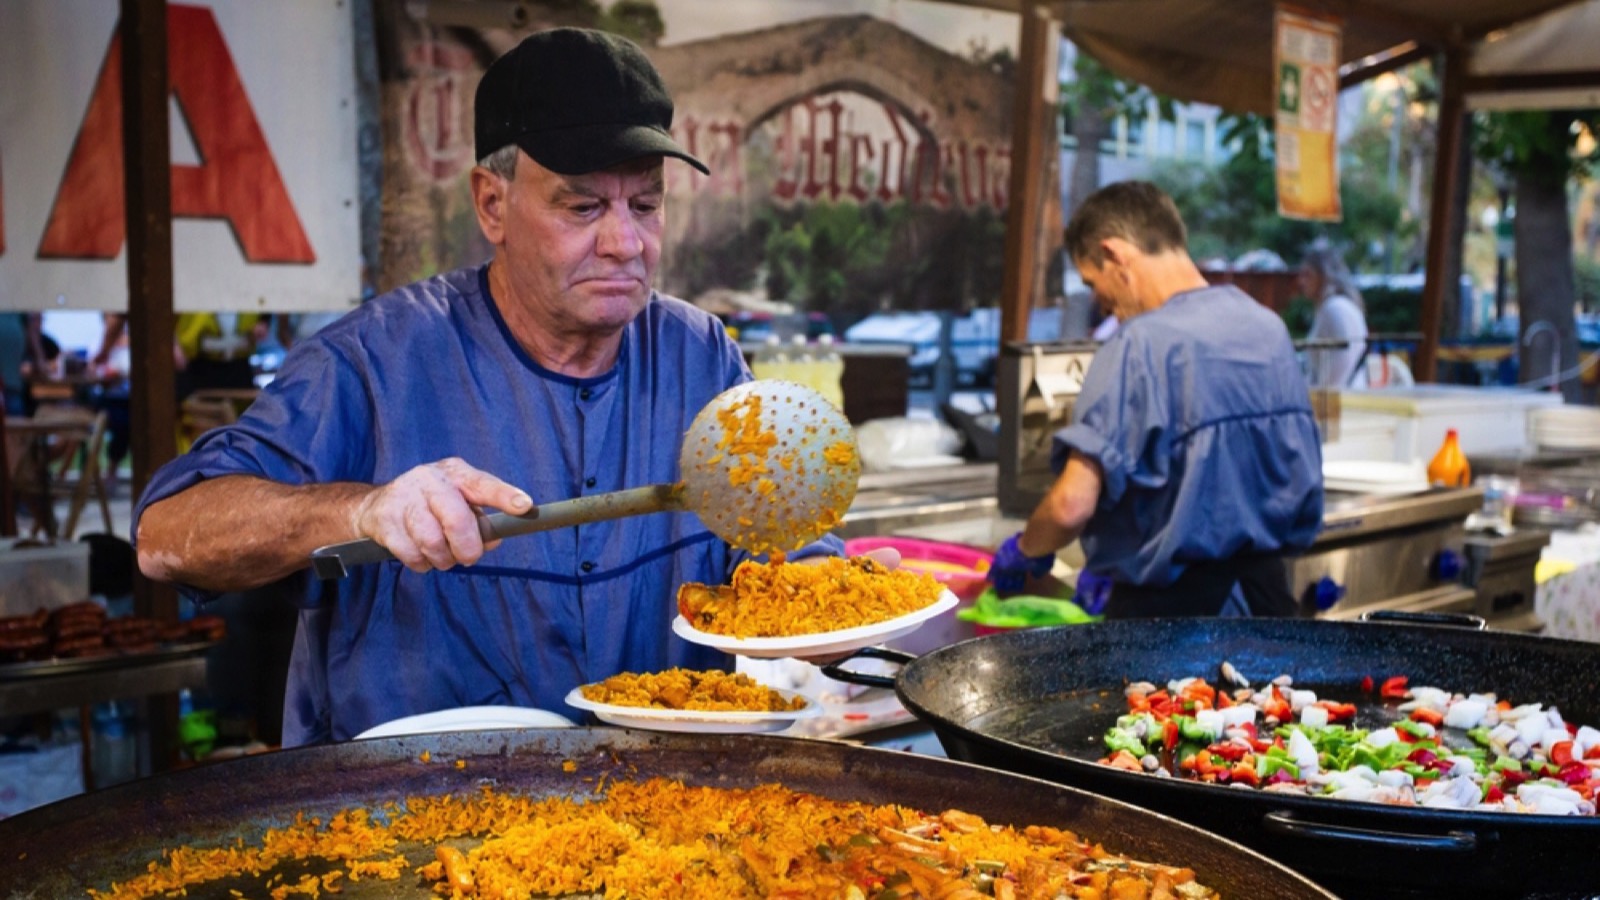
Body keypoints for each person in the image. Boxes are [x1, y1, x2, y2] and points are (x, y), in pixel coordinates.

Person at [134, 28, 836, 745]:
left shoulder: (700, 355)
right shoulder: (374, 362)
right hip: (411, 825)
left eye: (646, 205)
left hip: (651, 821)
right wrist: (364, 509)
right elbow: (165, 538)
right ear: (491, 205)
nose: (626, 243)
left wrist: (824, 593)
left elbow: (776, 548)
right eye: (583, 207)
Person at [988, 181, 1324, 618]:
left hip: (1169, 630)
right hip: (1268, 609)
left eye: (1094, 281)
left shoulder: (1138, 345)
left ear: (1115, 254)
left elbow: (1072, 504)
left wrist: (1027, 548)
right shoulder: (1269, 330)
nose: (1102, 303)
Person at [1298, 243, 1369, 388]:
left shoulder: (1334, 308)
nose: (1301, 282)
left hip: (1340, 401)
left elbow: (1343, 362)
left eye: (1308, 275)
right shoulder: (1337, 306)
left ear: (1324, 275)